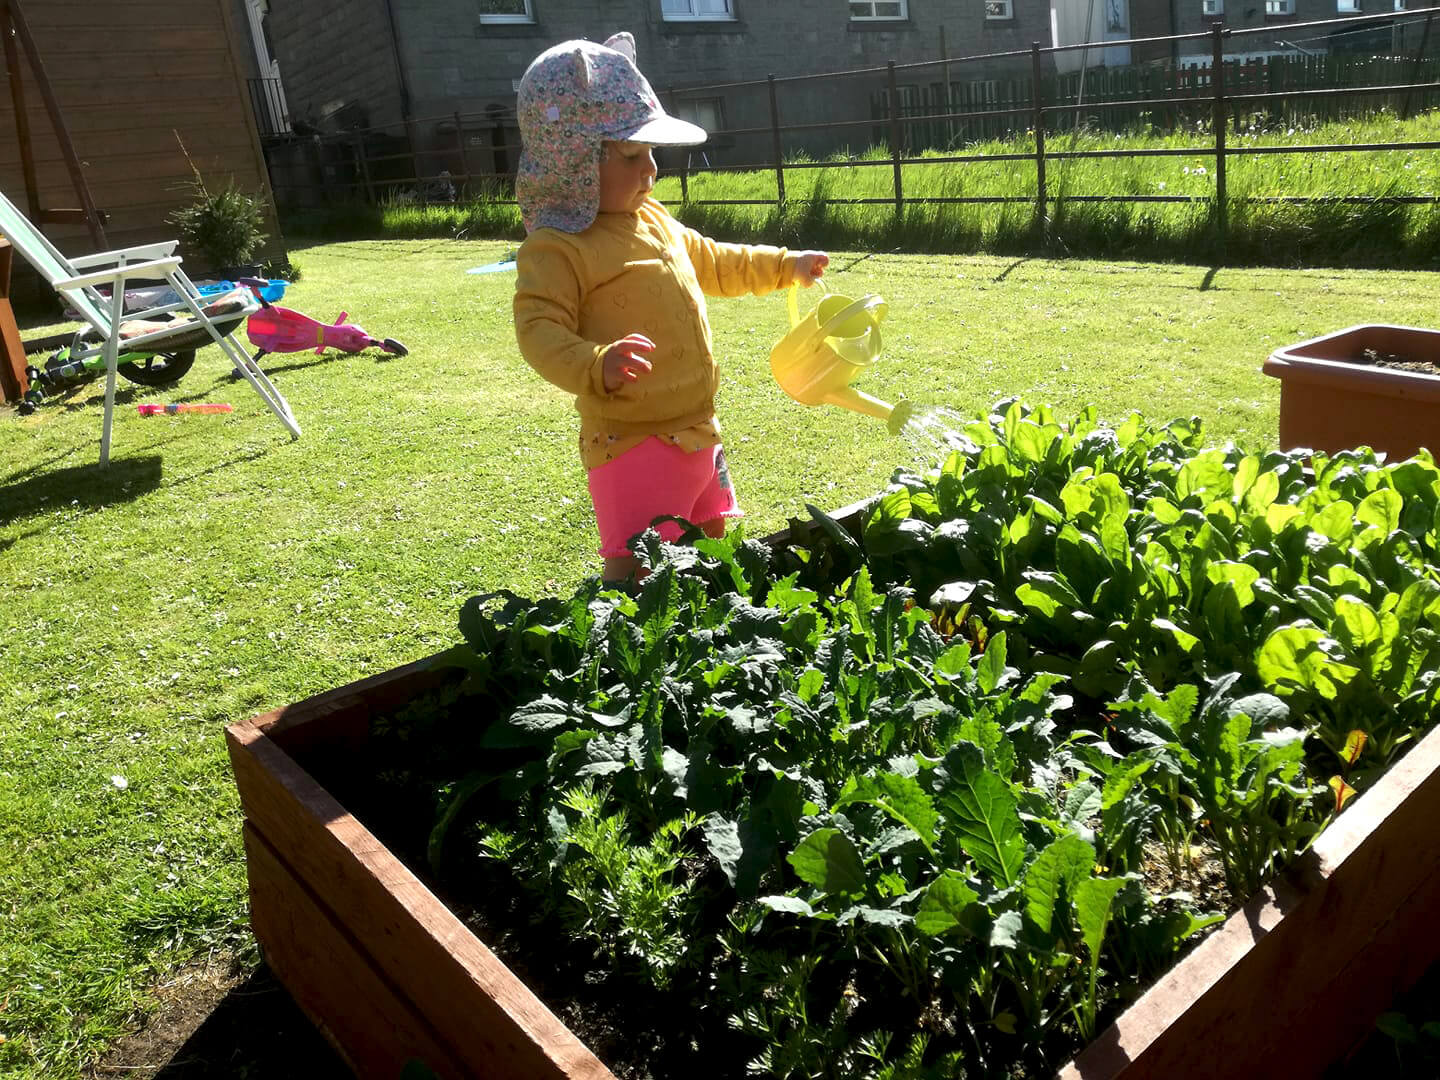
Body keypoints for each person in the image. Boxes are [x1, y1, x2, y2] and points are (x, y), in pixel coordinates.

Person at [512, 32, 828, 586]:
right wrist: (595, 364)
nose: (650, 170)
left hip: (699, 427)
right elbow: (539, 328)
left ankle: (717, 631)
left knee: (716, 548)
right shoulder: (559, 247)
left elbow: (714, 260)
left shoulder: (653, 219)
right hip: (633, 439)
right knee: (636, 571)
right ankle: (631, 656)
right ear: (574, 164)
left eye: (650, 153)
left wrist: (786, 264)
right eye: (632, 155)